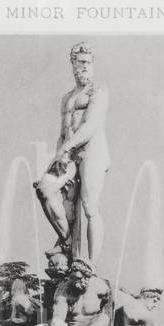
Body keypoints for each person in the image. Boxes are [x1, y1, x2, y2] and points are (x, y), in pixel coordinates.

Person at [34, 42, 110, 263]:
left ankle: (89, 265)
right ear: (73, 65)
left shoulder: (99, 89)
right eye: (80, 62)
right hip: (68, 153)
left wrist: (66, 149)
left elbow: (91, 125)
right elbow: (62, 133)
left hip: (92, 151)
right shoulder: (67, 98)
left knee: (89, 205)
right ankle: (68, 242)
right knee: (45, 189)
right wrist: (59, 154)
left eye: (88, 62)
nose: (85, 67)